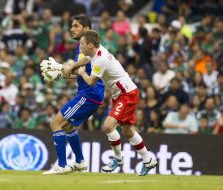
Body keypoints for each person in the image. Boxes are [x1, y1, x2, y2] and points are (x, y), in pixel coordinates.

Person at [62, 30, 157, 176]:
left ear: (90, 44)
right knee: (128, 131)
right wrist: (72, 67)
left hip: (127, 94)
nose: (80, 46)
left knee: (108, 126)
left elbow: (91, 82)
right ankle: (148, 160)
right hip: (121, 95)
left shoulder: (101, 59)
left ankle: (118, 159)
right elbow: (86, 60)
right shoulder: (95, 53)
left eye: (82, 44)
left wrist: (81, 73)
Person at [41, 16, 105, 174]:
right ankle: (80, 162)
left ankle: (62, 165)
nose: (72, 29)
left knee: (56, 123)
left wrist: (62, 67)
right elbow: (80, 73)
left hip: (89, 93)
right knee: (68, 126)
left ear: (86, 28)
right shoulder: (83, 47)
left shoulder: (86, 48)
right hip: (91, 94)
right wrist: (60, 73)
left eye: (76, 26)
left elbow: (81, 65)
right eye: (71, 25)